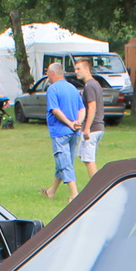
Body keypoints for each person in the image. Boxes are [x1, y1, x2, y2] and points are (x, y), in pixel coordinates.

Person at [39, 62, 82, 200]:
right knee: (63, 161)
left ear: (52, 73)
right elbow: (82, 109)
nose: (47, 76)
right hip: (74, 132)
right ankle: (52, 191)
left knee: (64, 162)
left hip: (60, 131)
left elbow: (55, 110)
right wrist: (78, 122)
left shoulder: (52, 89)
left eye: (47, 73)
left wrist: (69, 123)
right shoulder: (73, 88)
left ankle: (74, 194)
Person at [74, 58, 104, 182]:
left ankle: (98, 187)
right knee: (83, 156)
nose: (76, 72)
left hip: (93, 128)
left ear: (87, 69)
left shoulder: (90, 86)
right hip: (96, 128)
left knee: (89, 160)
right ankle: (98, 185)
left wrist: (87, 128)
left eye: (79, 69)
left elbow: (92, 106)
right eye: (75, 69)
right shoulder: (94, 84)